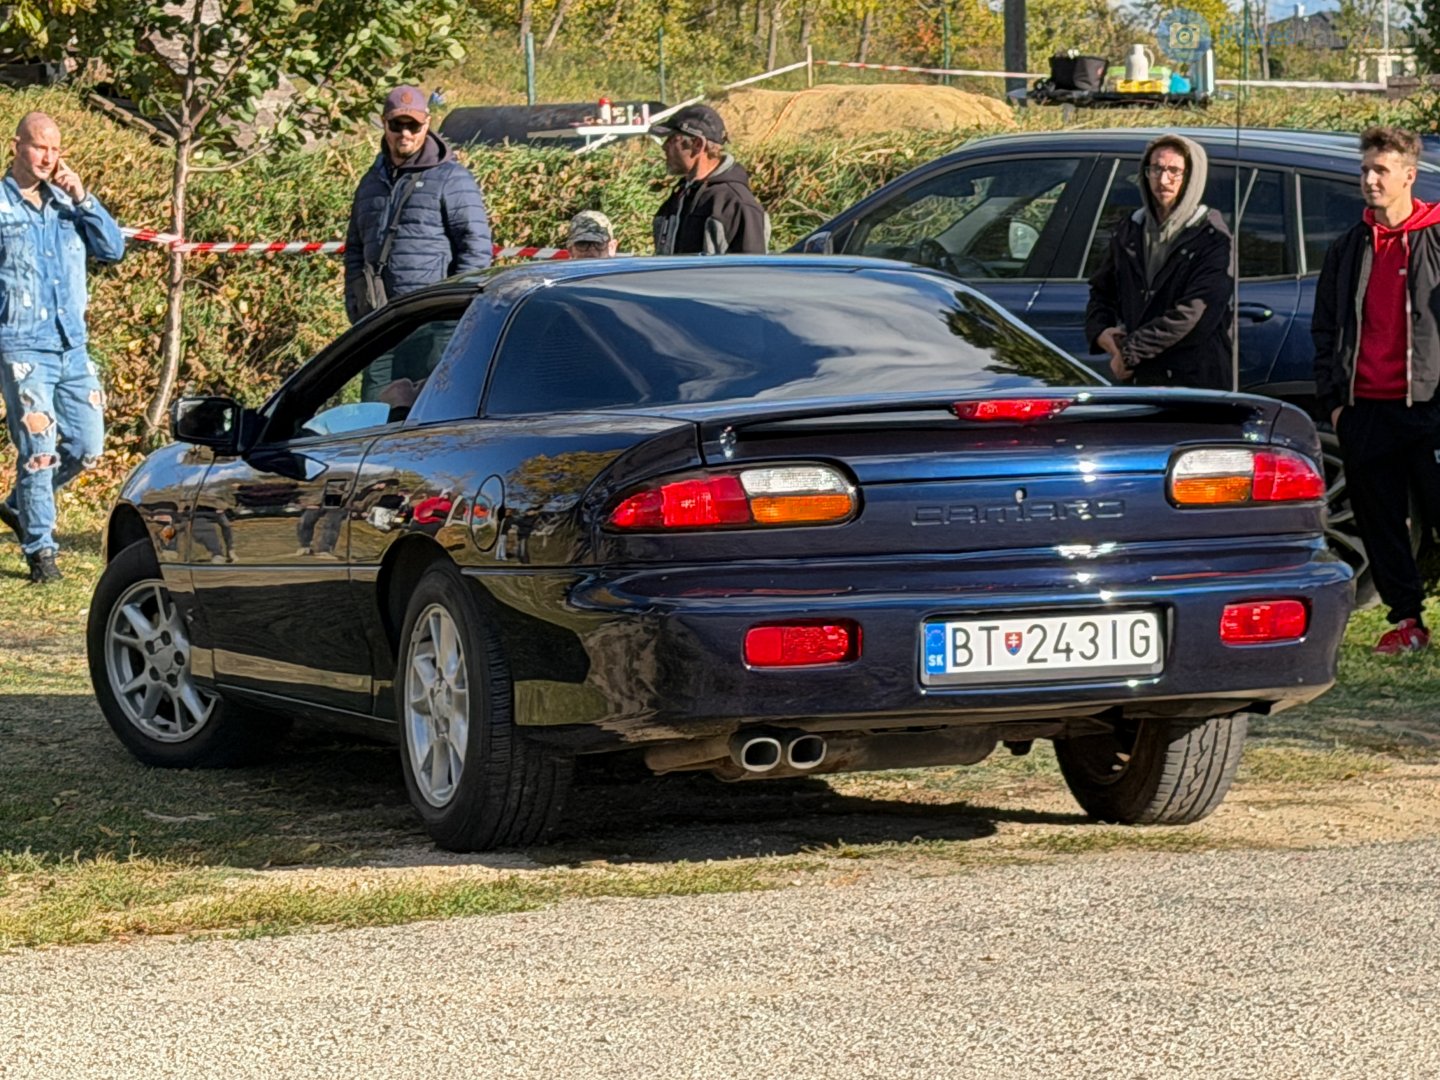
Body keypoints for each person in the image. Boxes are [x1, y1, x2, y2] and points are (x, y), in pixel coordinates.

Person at [1314, 125, 1440, 654]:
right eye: (1365, 169)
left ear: (1409, 175)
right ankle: (1407, 621)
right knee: (1382, 524)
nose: (1369, 179)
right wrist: (1336, 405)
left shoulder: (1435, 238)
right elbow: (1325, 328)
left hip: (1429, 410)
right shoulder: (1349, 247)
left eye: (1381, 170)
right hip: (1365, 411)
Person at [0, 112, 124, 584]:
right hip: (22, 346)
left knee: (87, 446)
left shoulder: (67, 203)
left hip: (72, 345)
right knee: (39, 449)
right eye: (39, 147)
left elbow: (112, 250)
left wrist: (84, 198)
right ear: (17, 145)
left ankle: (19, 505)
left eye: (55, 150)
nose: (48, 158)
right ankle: (41, 551)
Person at [1084, 133, 1234, 390]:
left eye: (1174, 171)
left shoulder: (1212, 237)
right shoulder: (1130, 228)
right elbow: (1102, 291)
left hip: (1194, 381)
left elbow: (1194, 314)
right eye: (1156, 169)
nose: (1163, 180)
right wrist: (1101, 332)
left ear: (1191, 177)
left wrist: (1130, 352)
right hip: (1141, 379)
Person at [344, 85, 492, 327]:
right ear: (384, 123)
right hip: (377, 321)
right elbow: (354, 249)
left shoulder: (451, 178)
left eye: (413, 126)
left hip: (432, 321)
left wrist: (453, 308)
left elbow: (476, 248)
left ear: (427, 124)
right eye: (396, 125)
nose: (405, 134)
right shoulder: (371, 182)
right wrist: (355, 302)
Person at [649, 104, 769, 256]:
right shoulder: (680, 195)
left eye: (672, 139)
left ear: (698, 144)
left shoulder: (736, 203)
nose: (664, 146)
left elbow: (750, 268)